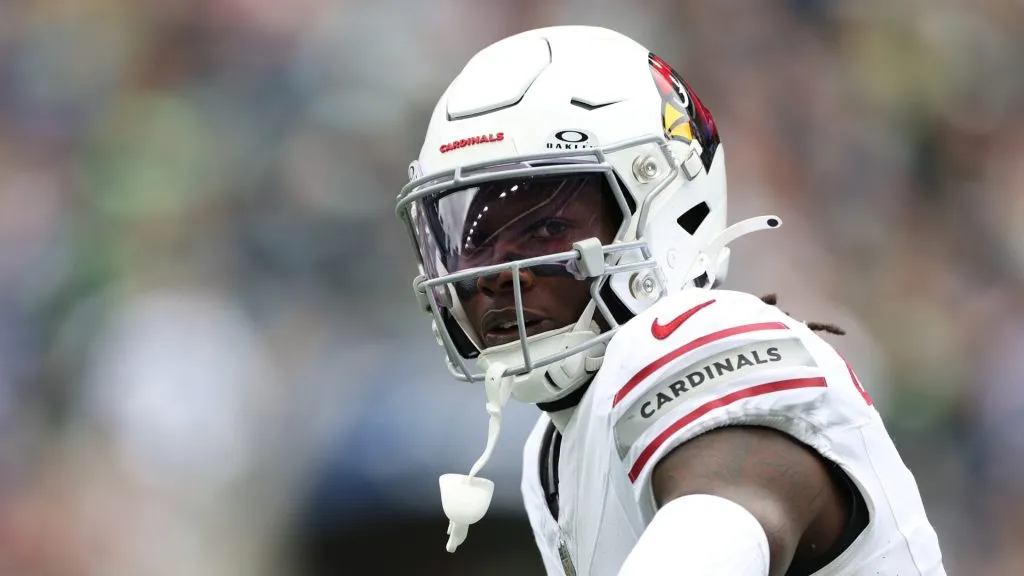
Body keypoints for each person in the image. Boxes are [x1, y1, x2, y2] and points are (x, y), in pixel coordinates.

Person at [396, 25, 947, 576]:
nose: (495, 274)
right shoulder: (551, 452)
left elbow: (722, 526)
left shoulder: (698, 340)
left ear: (666, 208)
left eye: (546, 229)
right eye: (473, 243)